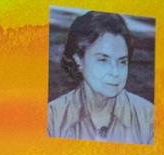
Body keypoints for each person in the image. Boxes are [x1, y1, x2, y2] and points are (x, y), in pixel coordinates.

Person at [48, 10, 154, 144]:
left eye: (122, 62)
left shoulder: (149, 117)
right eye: (103, 60)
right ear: (79, 60)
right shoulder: (51, 117)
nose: (115, 72)